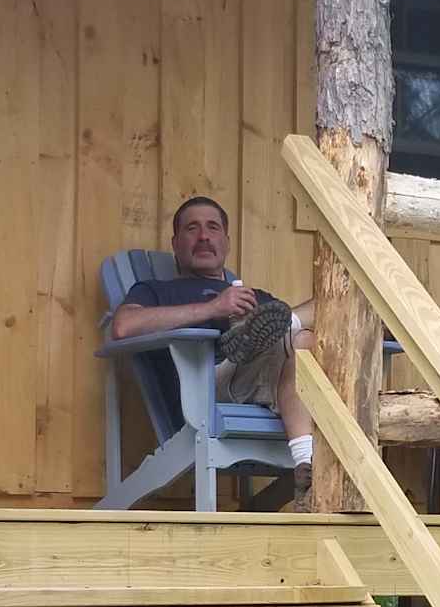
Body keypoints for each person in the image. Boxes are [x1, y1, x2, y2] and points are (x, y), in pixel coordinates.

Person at [110, 196, 316, 504]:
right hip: (209, 386)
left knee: (314, 327)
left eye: (213, 227)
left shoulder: (254, 294)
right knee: (296, 339)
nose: (204, 236)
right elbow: (123, 326)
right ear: (176, 242)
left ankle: (306, 463)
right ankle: (257, 334)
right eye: (192, 228)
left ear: (226, 241)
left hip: (275, 387)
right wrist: (213, 308)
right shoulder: (156, 290)